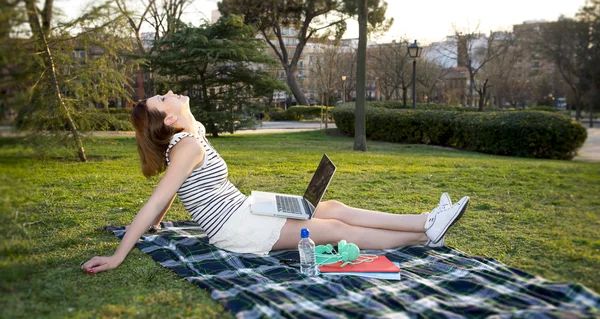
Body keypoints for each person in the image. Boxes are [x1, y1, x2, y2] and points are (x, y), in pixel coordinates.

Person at [82, 91, 469, 274]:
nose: (170, 93)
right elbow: (158, 197)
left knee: (330, 208)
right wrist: (119, 254)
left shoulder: (189, 135)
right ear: (168, 120)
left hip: (246, 210)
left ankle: (424, 220)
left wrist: (157, 222)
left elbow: (171, 192)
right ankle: (426, 233)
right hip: (237, 227)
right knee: (333, 229)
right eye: (164, 98)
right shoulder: (185, 146)